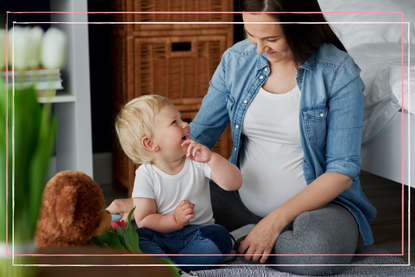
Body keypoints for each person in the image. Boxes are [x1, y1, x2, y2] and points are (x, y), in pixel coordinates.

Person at [108, 0, 377, 275]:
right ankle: (233, 242)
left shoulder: (337, 72)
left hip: (316, 211)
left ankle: (233, 244)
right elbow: (198, 136)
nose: (259, 49)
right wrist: (148, 199)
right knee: (171, 219)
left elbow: (342, 170)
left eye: (272, 38)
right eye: (251, 36)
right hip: (237, 199)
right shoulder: (237, 60)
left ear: (299, 28)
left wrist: (274, 222)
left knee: (316, 252)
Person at [112, 95, 242, 273]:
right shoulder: (145, 174)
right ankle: (175, 266)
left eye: (181, 118)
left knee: (220, 236)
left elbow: (234, 183)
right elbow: (144, 219)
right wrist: (174, 220)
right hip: (160, 236)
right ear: (151, 143)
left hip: (198, 233)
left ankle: (170, 267)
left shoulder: (196, 160)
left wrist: (212, 158)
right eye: (175, 122)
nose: (185, 124)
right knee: (138, 238)